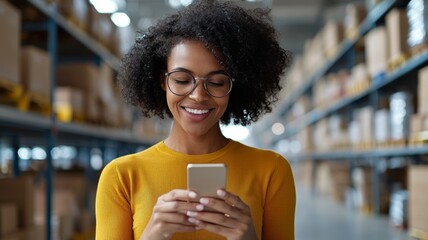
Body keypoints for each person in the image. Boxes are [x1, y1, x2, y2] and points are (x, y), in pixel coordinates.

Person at [95, 0, 295, 239]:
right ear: (163, 82)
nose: (199, 96)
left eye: (217, 82)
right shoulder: (121, 176)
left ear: (235, 87)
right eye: (181, 80)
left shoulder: (271, 170)